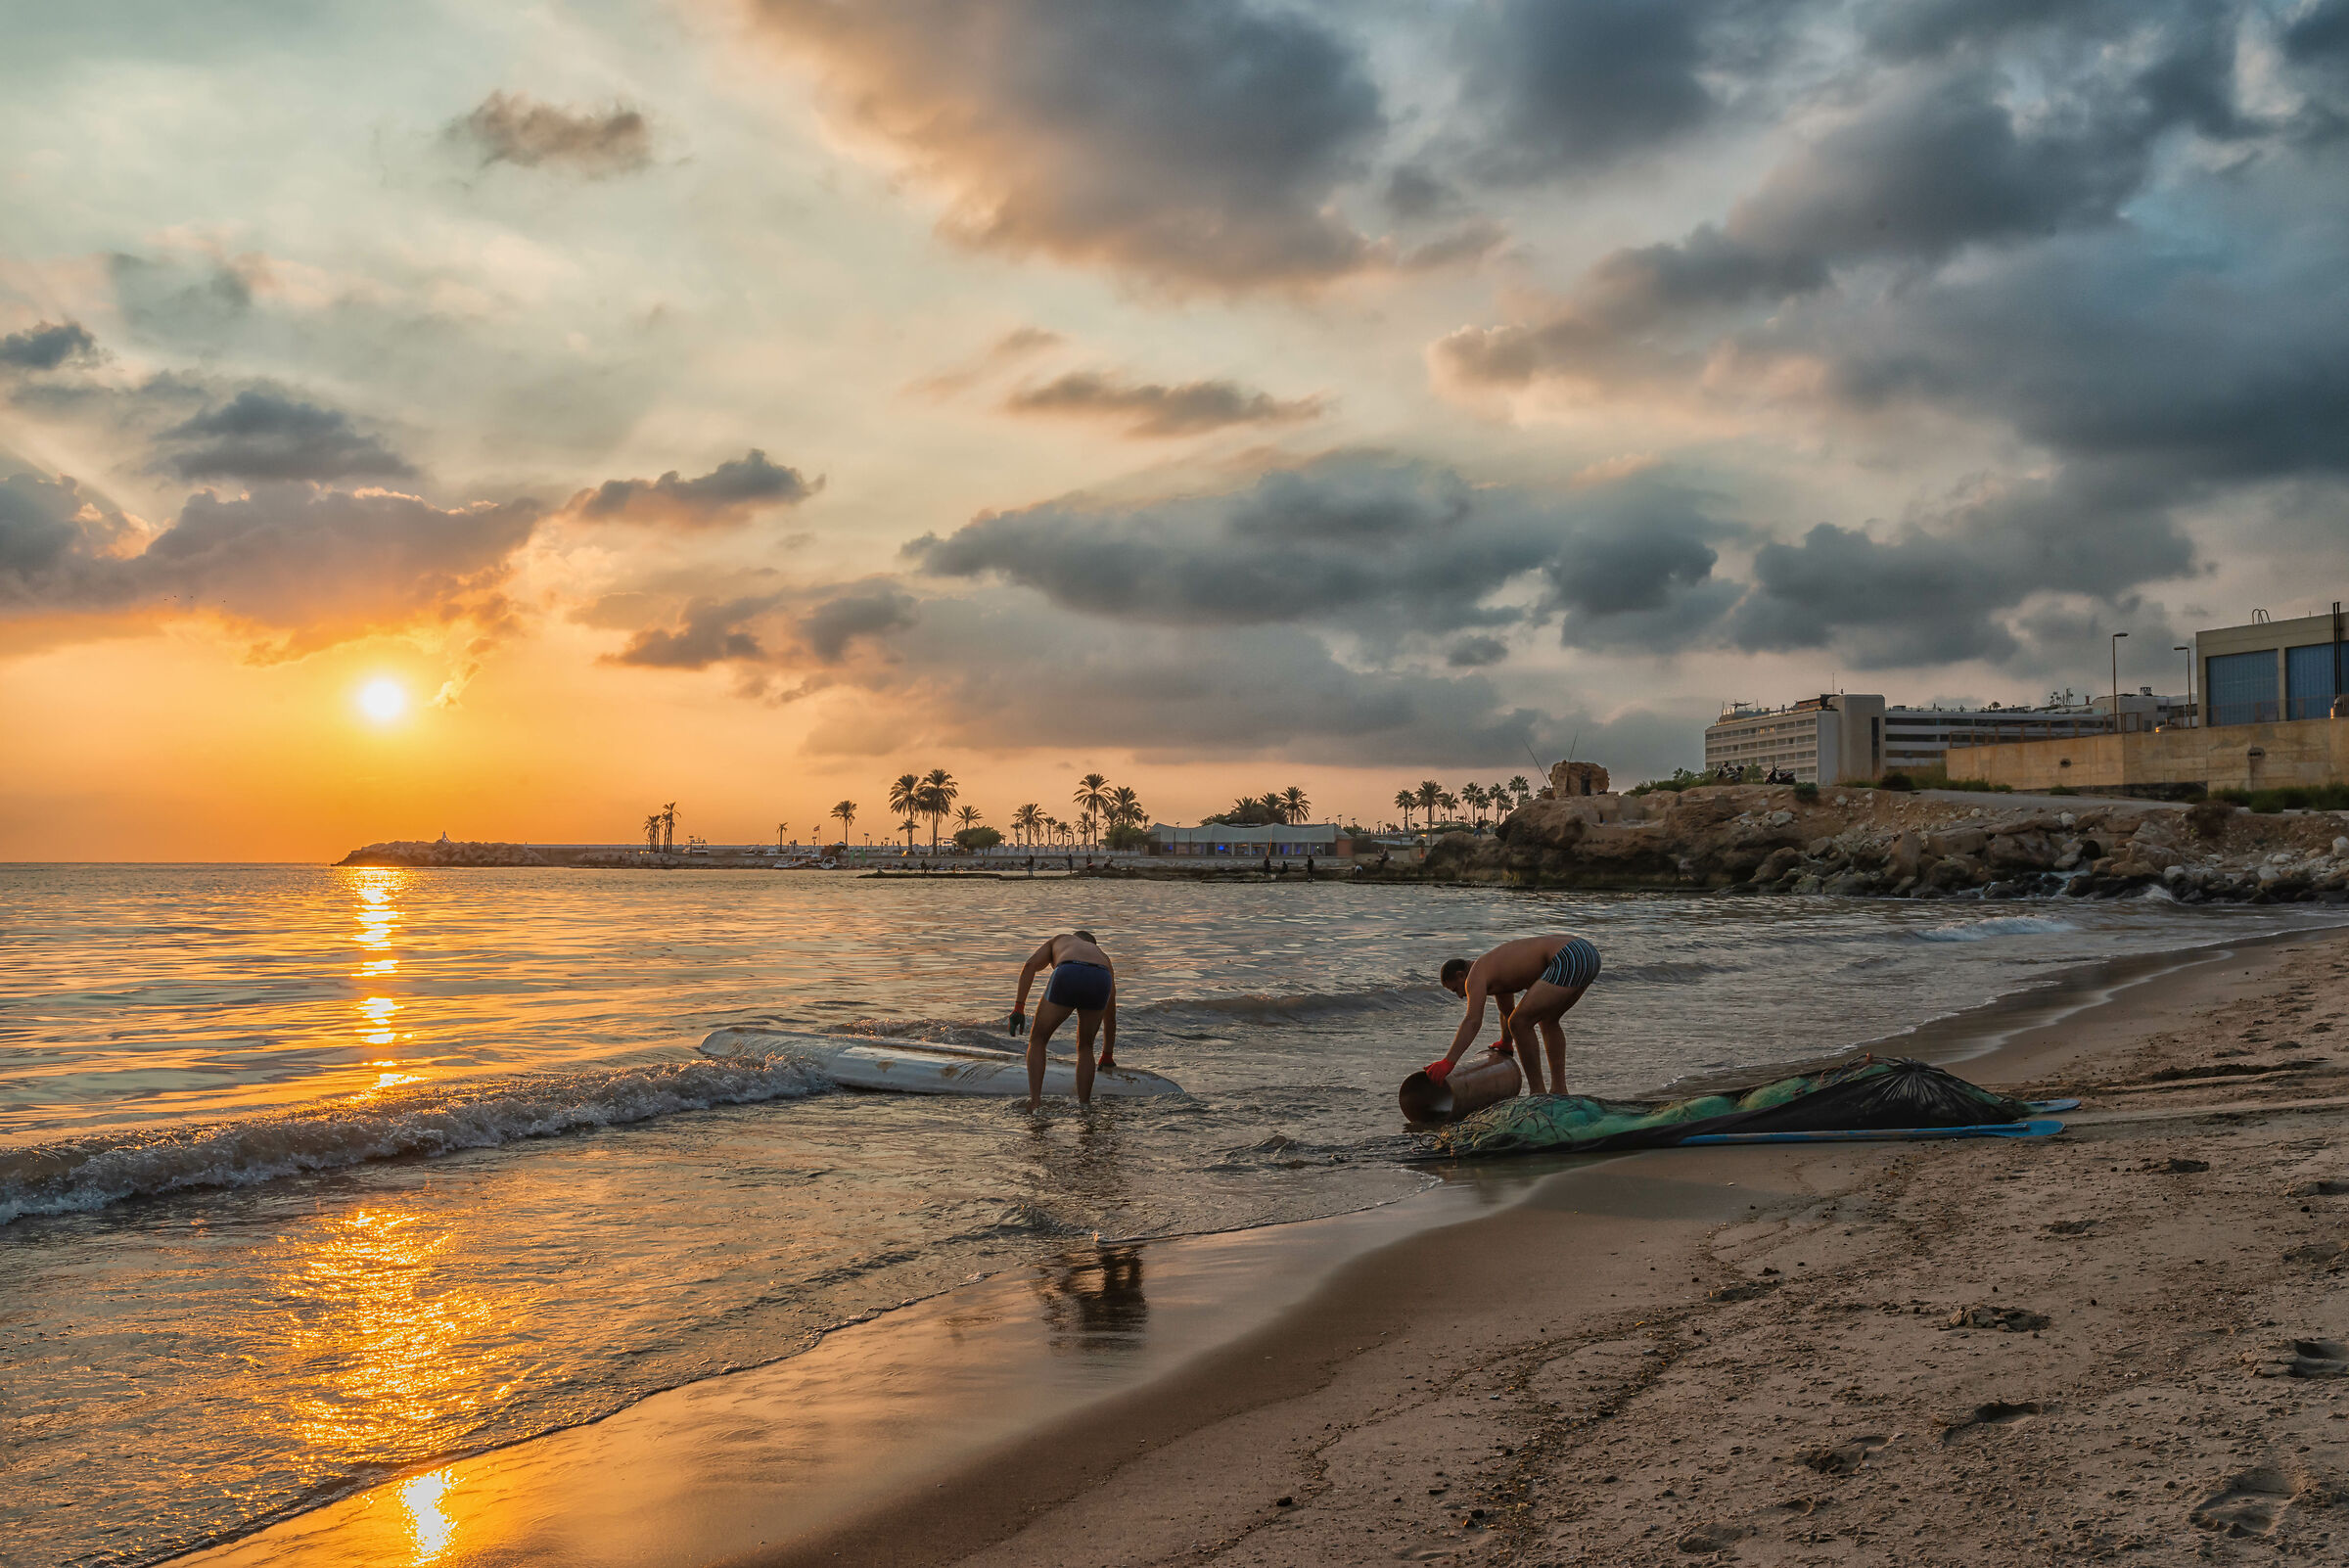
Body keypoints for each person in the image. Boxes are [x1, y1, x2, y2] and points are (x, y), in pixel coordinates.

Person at [1425, 934, 1601, 1095]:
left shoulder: (1475, 974)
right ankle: (1559, 1090)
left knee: (1520, 1022)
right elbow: (1507, 1012)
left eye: (1456, 989)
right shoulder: (1494, 968)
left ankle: (1537, 1093)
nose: (1460, 996)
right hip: (1587, 953)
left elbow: (1473, 1020)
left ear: (1461, 974)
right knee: (1548, 1020)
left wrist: (1449, 1061)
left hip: (1569, 956)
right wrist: (1506, 1042)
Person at [1007, 929, 1120, 1109]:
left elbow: (1030, 966)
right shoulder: (1103, 957)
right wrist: (1107, 1055)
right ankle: (1084, 1106)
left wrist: (1018, 1008)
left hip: (1069, 970)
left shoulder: (1060, 939)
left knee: (1038, 1040)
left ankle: (1035, 1102)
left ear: (1075, 938)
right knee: (1085, 1047)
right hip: (1101, 976)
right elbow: (1110, 1015)